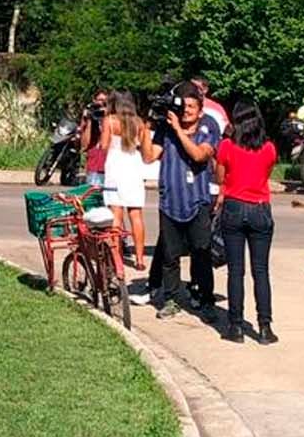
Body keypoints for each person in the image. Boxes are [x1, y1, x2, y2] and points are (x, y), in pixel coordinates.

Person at [153, 81, 221, 318]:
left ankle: (206, 299)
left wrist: (178, 130)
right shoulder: (166, 126)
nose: (187, 111)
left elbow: (200, 155)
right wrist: (146, 125)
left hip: (198, 200)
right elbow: (149, 156)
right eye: (184, 106)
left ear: (200, 110)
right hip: (170, 201)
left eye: (192, 106)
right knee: (169, 256)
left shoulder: (208, 126)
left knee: (201, 253)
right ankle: (171, 299)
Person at [215, 101, 278, 344]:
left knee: (236, 271)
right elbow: (266, 174)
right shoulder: (269, 148)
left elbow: (220, 177)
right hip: (259, 207)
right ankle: (265, 327)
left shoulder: (227, 146)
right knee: (260, 271)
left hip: (233, 205)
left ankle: (236, 326)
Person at [102, 93, 160, 283]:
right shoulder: (139, 123)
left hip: (114, 169)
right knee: (136, 215)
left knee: (116, 216)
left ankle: (116, 256)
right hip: (134, 169)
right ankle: (140, 258)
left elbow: (104, 145)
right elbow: (144, 150)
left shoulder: (110, 121)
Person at [80, 89, 111, 189]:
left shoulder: (112, 117)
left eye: (104, 101)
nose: (101, 103)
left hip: (109, 165)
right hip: (93, 165)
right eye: (99, 100)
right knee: (92, 194)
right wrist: (89, 121)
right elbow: (84, 145)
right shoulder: (90, 115)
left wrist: (106, 117)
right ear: (94, 101)